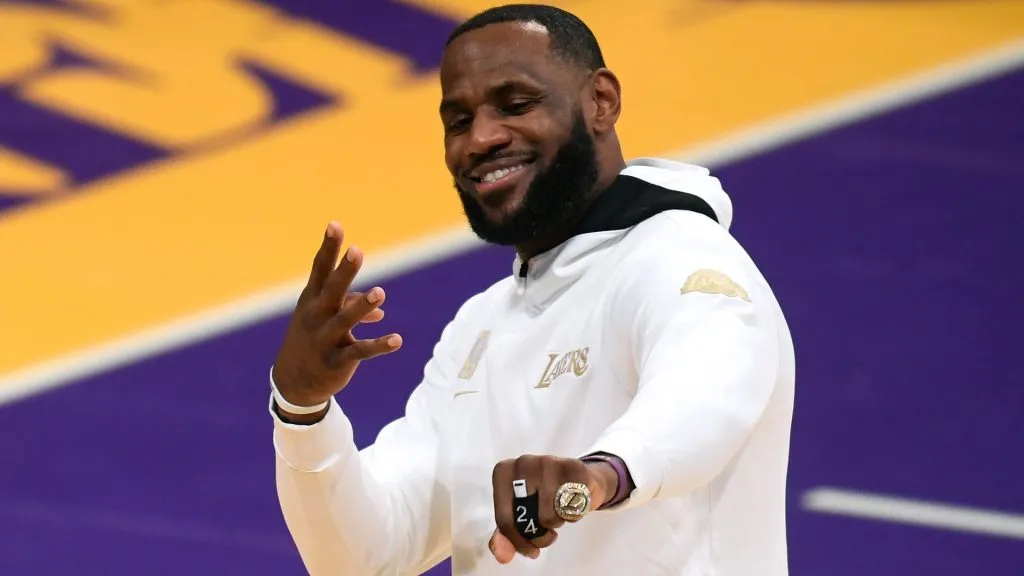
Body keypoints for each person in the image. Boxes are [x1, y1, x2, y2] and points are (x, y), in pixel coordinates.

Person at [267, 4, 795, 575]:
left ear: (602, 101)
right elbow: (365, 558)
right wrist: (302, 412)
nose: (481, 139)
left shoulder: (680, 258)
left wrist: (602, 474)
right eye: (458, 121)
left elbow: (706, 397)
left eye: (515, 105)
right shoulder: (482, 326)